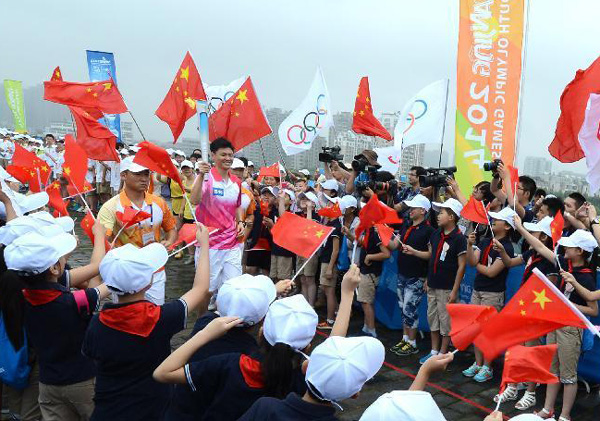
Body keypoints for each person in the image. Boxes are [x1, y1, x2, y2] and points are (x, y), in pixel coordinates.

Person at [82, 225, 211, 421]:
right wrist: (204, 246)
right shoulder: (162, 317)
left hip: (108, 410)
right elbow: (200, 289)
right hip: (153, 408)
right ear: (149, 282)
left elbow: (91, 359)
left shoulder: (96, 323)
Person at [153, 293, 319, 421]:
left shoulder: (233, 364)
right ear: (308, 347)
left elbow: (162, 373)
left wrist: (205, 334)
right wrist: (346, 298)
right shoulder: (306, 380)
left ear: (261, 333)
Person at [6, 224, 110, 421]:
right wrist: (99, 235)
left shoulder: (20, 296)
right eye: (62, 257)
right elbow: (103, 282)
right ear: (55, 268)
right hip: (82, 382)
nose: (65, 259)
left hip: (48, 384)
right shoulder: (73, 301)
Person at [492, 216, 559, 410]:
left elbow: (551, 291)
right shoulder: (531, 252)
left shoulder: (550, 261)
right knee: (516, 348)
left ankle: (530, 392)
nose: (529, 235)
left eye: (534, 232)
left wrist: (520, 228)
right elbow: (511, 263)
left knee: (531, 352)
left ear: (544, 239)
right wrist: (503, 251)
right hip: (523, 308)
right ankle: (513, 385)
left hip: (536, 313)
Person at [97, 157, 177, 305]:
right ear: (123, 175)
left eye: (146, 174)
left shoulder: (159, 202)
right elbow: (103, 241)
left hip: (155, 270)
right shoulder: (111, 207)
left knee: (155, 315)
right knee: (126, 317)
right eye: (138, 174)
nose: (144, 179)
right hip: (125, 273)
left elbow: (171, 228)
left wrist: (169, 241)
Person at [463, 206, 516, 383]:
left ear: (507, 226)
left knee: (488, 332)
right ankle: (478, 363)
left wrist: (476, 265)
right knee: (476, 329)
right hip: (477, 290)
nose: (493, 221)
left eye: (498, 219)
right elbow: (472, 260)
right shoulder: (486, 241)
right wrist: (470, 245)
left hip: (492, 294)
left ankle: (487, 366)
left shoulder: (506, 247)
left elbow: (492, 272)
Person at [190, 137, 244, 301]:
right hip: (209, 244)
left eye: (230, 155)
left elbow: (237, 205)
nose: (228, 158)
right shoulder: (207, 179)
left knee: (233, 288)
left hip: (232, 243)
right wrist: (200, 175)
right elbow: (194, 200)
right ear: (213, 155)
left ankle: (226, 322)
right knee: (206, 291)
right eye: (223, 155)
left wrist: (240, 221)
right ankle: (201, 323)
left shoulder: (236, 181)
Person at [420, 198, 467, 363]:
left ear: (452, 217)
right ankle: (434, 351)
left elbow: (461, 266)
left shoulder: (459, 239)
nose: (438, 216)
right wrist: (427, 278)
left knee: (446, 321)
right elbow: (432, 258)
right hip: (433, 283)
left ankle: (442, 353)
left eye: (442, 213)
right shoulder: (435, 234)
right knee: (432, 318)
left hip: (447, 287)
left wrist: (454, 290)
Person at [389, 194, 434, 356]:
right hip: (403, 273)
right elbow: (394, 245)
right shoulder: (406, 225)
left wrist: (414, 252)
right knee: (403, 308)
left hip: (417, 275)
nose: (410, 210)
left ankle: (413, 343)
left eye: (413, 208)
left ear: (423, 211)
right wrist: (382, 232)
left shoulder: (429, 231)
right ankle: (405, 338)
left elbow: (430, 255)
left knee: (410, 309)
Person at [357, 224, 391, 338]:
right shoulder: (368, 230)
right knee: (365, 301)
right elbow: (363, 244)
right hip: (367, 271)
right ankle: (367, 327)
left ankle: (371, 331)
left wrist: (369, 257)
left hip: (370, 272)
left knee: (366, 302)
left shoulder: (375, 232)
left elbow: (386, 253)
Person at [316, 196, 342, 329]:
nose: (327, 206)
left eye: (330, 204)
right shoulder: (331, 224)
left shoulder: (336, 226)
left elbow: (335, 250)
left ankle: (330, 320)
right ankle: (337, 312)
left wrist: (330, 267)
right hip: (326, 260)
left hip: (329, 262)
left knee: (329, 290)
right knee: (327, 289)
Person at [295, 191, 321, 306]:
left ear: (314, 203)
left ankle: (311, 305)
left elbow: (309, 228)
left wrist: (310, 210)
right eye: (302, 199)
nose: (304, 201)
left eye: (307, 199)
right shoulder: (298, 214)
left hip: (311, 251)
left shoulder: (316, 216)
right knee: (302, 279)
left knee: (309, 279)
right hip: (300, 250)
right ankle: (304, 304)